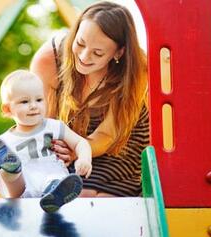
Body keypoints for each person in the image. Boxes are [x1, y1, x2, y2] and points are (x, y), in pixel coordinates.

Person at [30, 1, 149, 197]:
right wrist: (61, 149)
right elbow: (44, 123)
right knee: (63, 189)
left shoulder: (135, 69)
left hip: (120, 144)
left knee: (91, 195)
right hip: (70, 140)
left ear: (119, 52)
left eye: (98, 53)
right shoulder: (49, 59)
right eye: (80, 43)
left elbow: (107, 135)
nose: (84, 56)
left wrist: (78, 150)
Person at [0, 69, 92, 213]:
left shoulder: (54, 126)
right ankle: (10, 168)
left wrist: (84, 158)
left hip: (50, 176)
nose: (33, 105)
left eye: (39, 100)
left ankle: (54, 196)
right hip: (19, 190)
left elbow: (80, 143)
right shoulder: (4, 141)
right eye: (25, 101)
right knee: (7, 172)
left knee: (55, 179)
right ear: (8, 109)